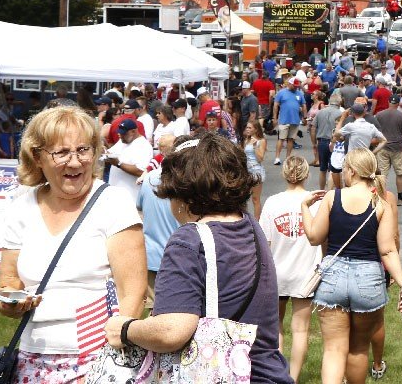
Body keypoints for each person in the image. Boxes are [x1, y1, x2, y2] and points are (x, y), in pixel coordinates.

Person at [104, 133, 295, 384]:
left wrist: (125, 328)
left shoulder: (189, 240)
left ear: (183, 194)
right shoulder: (250, 226)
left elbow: (173, 329)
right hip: (268, 373)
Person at [0, 105, 146, 380]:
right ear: (38, 157)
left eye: (83, 150)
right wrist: (10, 301)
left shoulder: (113, 203)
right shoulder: (21, 208)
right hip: (31, 359)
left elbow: (133, 294)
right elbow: (9, 282)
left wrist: (111, 360)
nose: (75, 162)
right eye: (62, 152)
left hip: (97, 358)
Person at [300, 148, 402, 384]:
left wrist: (304, 208)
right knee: (359, 349)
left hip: (333, 278)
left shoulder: (332, 197)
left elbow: (314, 237)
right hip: (368, 280)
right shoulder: (381, 204)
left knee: (333, 350)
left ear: (351, 171)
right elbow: (388, 250)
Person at [259, 156, 323, 383]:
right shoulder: (316, 201)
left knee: (275, 327)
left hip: (277, 272)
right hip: (306, 273)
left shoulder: (272, 202)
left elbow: (265, 243)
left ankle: (277, 375)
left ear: (284, 174)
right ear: (307, 174)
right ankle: (292, 378)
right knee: (301, 330)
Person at [137, 134, 181, 309]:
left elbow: (139, 206)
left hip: (152, 255)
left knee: (152, 307)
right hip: (178, 256)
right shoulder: (183, 180)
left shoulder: (148, 179)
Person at [375, 95, 402, 206]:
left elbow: (375, 131)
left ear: (388, 102)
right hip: (397, 148)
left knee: (382, 174)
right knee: (399, 174)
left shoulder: (379, 115)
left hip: (383, 147)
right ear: (398, 103)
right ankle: (399, 198)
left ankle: (380, 198)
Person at [105, 118, 153, 200]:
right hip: (114, 193)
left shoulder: (144, 146)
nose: (120, 136)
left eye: (124, 134)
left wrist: (119, 164)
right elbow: (110, 153)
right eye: (120, 133)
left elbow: (141, 171)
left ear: (133, 131)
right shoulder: (122, 141)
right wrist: (104, 152)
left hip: (130, 197)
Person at [273, 77, 307, 165]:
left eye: (297, 86)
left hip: (295, 120)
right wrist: (275, 118)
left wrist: (305, 117)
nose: (296, 87)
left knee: (291, 139)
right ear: (289, 84)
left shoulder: (299, 93)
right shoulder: (281, 93)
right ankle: (277, 157)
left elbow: (304, 105)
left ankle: (288, 158)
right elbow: (275, 105)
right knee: (281, 138)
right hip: (284, 119)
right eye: (294, 85)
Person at [315, 93, 344, 190]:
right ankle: (331, 192)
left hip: (322, 141)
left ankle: (321, 190)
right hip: (335, 142)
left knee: (322, 169)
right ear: (339, 102)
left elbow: (313, 127)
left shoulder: (320, 112)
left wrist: (314, 142)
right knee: (334, 170)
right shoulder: (340, 114)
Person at [243, 120, 268, 220]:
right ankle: (245, 220)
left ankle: (257, 221)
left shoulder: (261, 141)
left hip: (256, 171)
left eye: (250, 128)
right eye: (247, 127)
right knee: (244, 198)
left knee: (255, 199)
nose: (247, 129)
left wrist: (254, 147)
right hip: (246, 171)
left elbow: (260, 158)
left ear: (256, 129)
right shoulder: (246, 140)